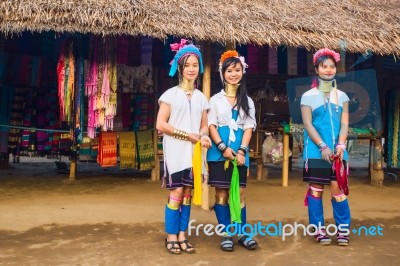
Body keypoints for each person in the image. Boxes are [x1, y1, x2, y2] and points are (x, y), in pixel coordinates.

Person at [156, 39, 211, 255]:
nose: (191, 69)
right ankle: (171, 236)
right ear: (179, 67)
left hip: (195, 154)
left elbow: (204, 125)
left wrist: (204, 136)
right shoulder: (170, 95)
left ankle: (182, 235)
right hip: (176, 153)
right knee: (177, 192)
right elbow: (160, 124)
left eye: (195, 65)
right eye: (187, 65)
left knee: (188, 193)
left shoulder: (201, 98)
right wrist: (188, 135)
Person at [207, 50, 258, 251]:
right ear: (223, 74)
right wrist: (222, 148)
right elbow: (211, 126)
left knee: (240, 192)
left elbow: (248, 127)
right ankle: (226, 233)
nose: (233, 74)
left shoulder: (248, 101)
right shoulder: (214, 100)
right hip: (219, 155)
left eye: (237, 70)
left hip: (240, 154)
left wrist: (242, 151)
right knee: (221, 193)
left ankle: (243, 233)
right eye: (229, 70)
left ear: (242, 72)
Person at [300, 48, 351, 246]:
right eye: (324, 66)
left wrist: (340, 144)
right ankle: (319, 230)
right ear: (317, 69)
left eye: (332, 67)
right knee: (316, 189)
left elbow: (345, 123)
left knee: (338, 190)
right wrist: (322, 146)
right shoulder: (308, 96)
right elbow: (307, 124)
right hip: (315, 152)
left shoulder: (343, 96)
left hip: (338, 152)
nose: (328, 70)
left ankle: (343, 230)